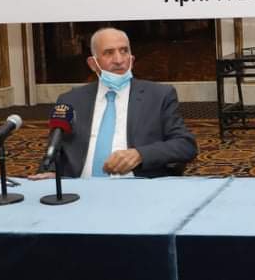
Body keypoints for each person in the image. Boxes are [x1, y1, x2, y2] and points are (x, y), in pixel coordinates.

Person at [32, 27, 197, 179]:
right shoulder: (71, 100)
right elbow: (54, 150)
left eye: (124, 51)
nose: (119, 60)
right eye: (109, 53)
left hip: (138, 187)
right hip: (81, 189)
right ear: (93, 64)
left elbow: (186, 145)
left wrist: (140, 154)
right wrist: (51, 172)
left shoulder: (159, 96)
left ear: (132, 59)